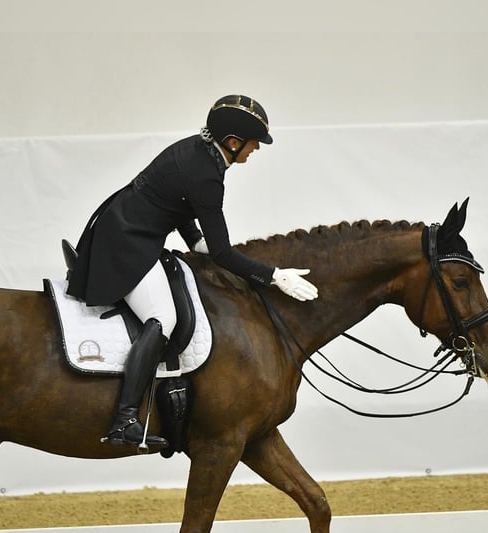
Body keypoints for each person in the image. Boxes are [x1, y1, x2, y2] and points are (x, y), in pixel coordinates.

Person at [67, 94, 318, 448]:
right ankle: (124, 420)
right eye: (253, 145)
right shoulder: (207, 175)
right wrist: (275, 275)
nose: (255, 151)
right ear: (233, 142)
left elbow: (178, 204)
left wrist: (195, 240)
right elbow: (223, 254)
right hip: (126, 243)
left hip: (131, 230)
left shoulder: (198, 150)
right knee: (162, 318)